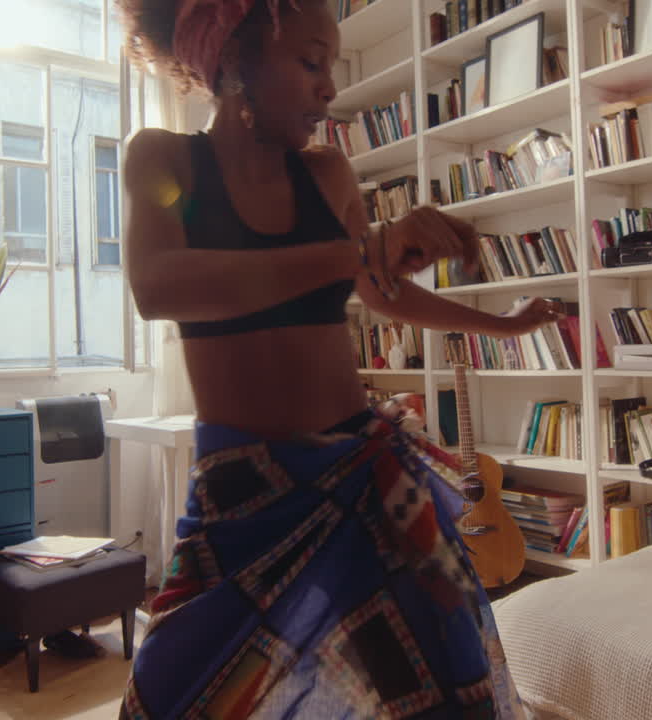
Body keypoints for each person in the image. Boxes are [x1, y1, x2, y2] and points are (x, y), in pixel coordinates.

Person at [117, 0, 563, 716]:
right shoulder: (163, 159)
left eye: (331, 65)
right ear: (233, 61)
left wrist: (502, 326)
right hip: (241, 485)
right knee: (172, 686)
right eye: (310, 62)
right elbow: (158, 285)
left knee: (445, 673)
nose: (330, 87)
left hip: (363, 470)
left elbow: (379, 289)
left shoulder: (327, 173)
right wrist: (355, 253)